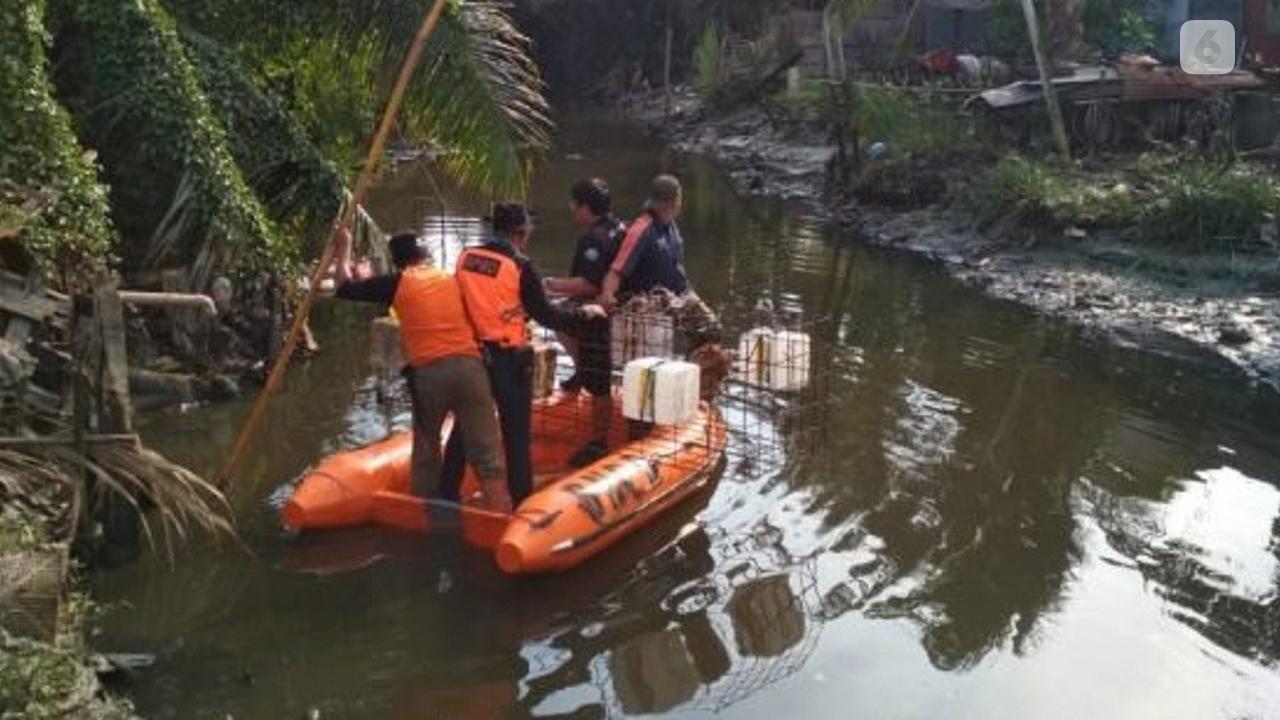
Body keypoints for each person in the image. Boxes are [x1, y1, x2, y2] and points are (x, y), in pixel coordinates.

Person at [331, 227, 511, 512]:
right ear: (425, 256)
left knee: (427, 452)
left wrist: (343, 248)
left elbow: (343, 288)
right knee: (488, 456)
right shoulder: (452, 279)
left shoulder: (397, 282)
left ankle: (425, 517)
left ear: (396, 262)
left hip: (430, 374)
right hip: (470, 368)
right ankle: (500, 514)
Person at [441, 202, 607, 506]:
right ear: (520, 233)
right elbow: (547, 315)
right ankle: (521, 501)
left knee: (465, 426)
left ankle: (446, 493)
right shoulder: (520, 266)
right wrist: (584, 315)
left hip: (472, 356)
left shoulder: (465, 257)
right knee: (515, 433)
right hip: (508, 361)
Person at [543, 179, 625, 465]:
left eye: (574, 204)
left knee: (599, 382)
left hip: (600, 311)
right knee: (558, 318)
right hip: (619, 303)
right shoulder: (619, 227)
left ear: (586, 208)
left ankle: (599, 442)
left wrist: (549, 284)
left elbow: (589, 284)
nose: (571, 208)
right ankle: (582, 371)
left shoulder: (594, 239)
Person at [599, 174, 689, 309]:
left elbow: (679, 271)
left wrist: (691, 297)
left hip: (672, 302)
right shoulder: (642, 229)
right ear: (673, 202)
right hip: (645, 305)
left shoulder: (672, 228)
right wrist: (608, 294)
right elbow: (616, 271)